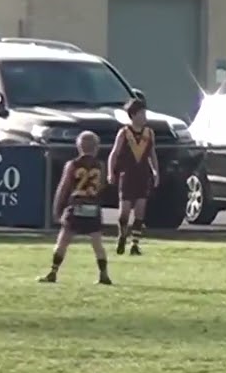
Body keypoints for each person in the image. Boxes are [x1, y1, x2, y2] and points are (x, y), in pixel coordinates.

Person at [40, 132, 111, 285]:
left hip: (76, 205)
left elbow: (64, 187)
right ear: (96, 148)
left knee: (63, 240)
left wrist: (57, 208)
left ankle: (53, 271)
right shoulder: (100, 165)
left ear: (79, 146)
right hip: (92, 206)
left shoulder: (72, 164)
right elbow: (102, 185)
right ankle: (103, 274)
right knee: (97, 243)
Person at [108, 99, 159, 256]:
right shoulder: (124, 133)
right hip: (127, 175)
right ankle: (122, 235)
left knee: (140, 210)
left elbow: (152, 154)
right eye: (141, 113)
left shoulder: (149, 133)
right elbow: (114, 154)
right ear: (133, 115)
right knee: (124, 212)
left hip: (143, 175)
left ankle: (135, 244)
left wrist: (156, 172)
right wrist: (111, 172)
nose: (144, 116)